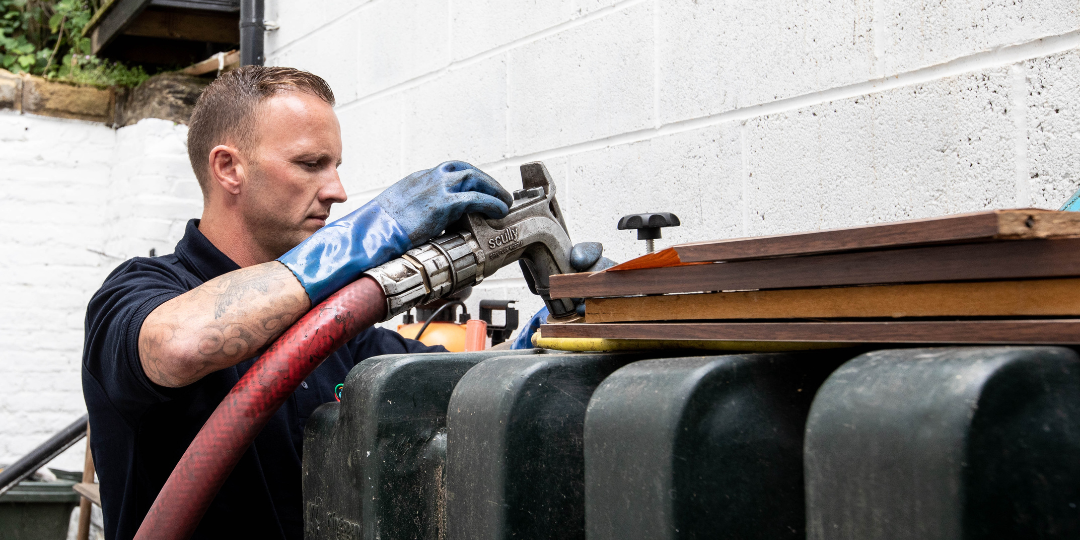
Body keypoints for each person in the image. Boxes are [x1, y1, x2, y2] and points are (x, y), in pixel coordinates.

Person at [81, 66, 522, 540]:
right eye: (311, 164)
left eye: (335, 166)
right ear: (229, 168)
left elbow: (453, 383)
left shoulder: (332, 324)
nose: (337, 192)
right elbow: (179, 345)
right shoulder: (138, 291)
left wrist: (552, 337)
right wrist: (363, 236)